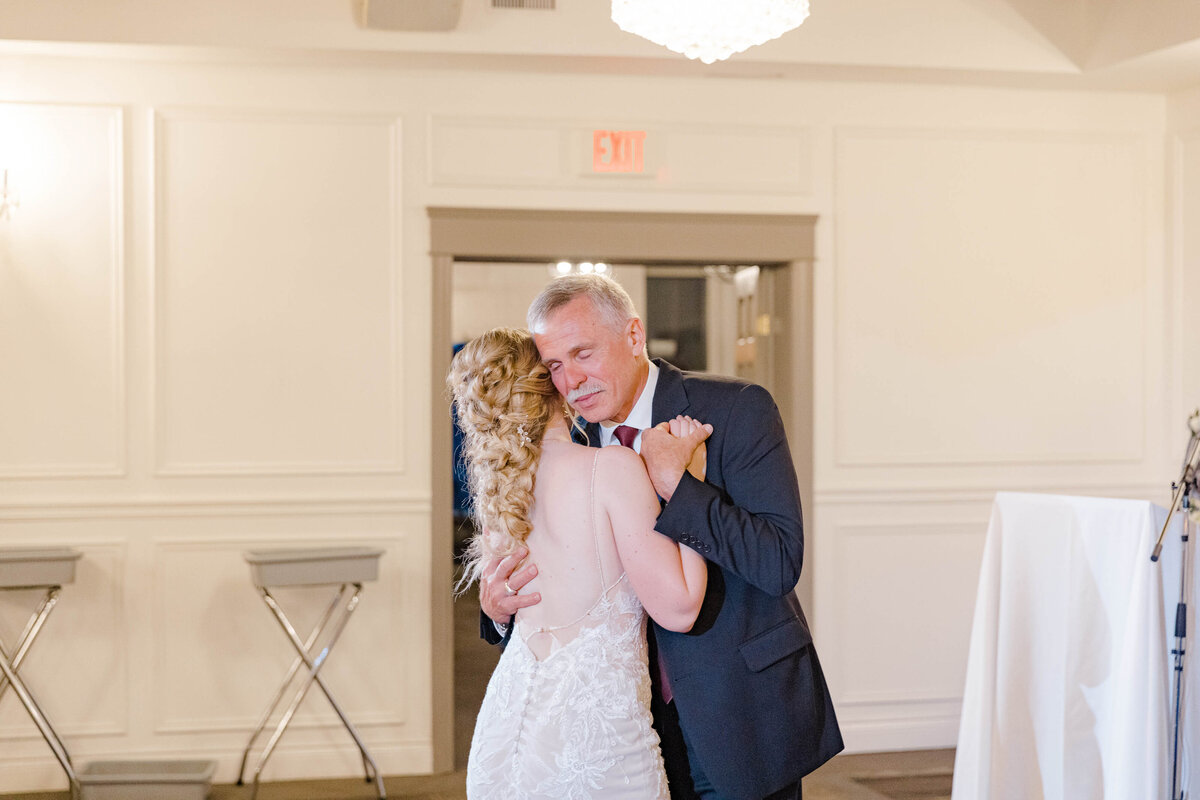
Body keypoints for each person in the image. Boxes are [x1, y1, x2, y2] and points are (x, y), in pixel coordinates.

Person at [480, 274, 843, 800]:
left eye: (583, 353)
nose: (571, 380)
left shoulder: (735, 409)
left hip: (737, 709)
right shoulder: (565, 440)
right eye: (554, 365)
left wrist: (679, 484)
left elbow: (778, 560)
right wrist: (497, 609)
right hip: (619, 728)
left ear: (633, 336)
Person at [448, 326, 713, 799]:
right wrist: (689, 484)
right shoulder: (609, 469)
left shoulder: (499, 493)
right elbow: (681, 608)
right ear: (552, 386)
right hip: (594, 747)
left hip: (504, 738)